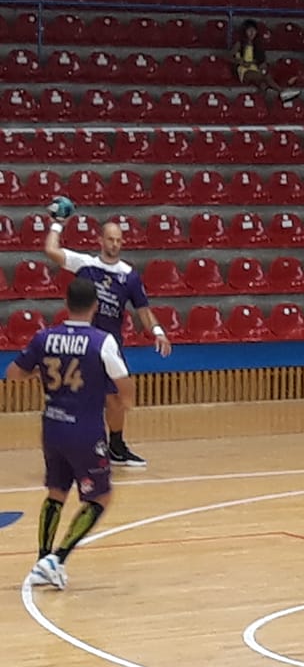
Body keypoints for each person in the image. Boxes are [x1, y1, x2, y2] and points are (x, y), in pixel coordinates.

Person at [9, 278, 135, 591]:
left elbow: (13, 374)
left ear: (66, 303)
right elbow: (123, 383)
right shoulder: (101, 341)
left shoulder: (44, 337)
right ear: (96, 306)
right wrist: (125, 404)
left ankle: (42, 560)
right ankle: (57, 559)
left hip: (52, 426)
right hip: (85, 430)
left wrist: (38, 371)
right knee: (100, 497)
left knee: (56, 492)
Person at [43, 198, 171, 466]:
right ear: (100, 240)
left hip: (110, 345)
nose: (115, 244)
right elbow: (51, 250)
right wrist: (57, 224)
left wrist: (158, 330)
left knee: (115, 399)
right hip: (82, 344)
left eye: (119, 240)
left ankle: (116, 447)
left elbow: (143, 310)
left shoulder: (129, 275)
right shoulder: (85, 265)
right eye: (110, 239)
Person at [231, 18, 300, 105]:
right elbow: (229, 57)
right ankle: (282, 91)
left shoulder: (258, 46)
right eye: (249, 30)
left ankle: (258, 104)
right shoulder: (239, 44)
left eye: (254, 30)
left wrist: (262, 66)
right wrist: (240, 61)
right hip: (244, 71)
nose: (252, 33)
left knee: (263, 85)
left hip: (255, 69)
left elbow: (261, 62)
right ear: (245, 32)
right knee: (265, 76)